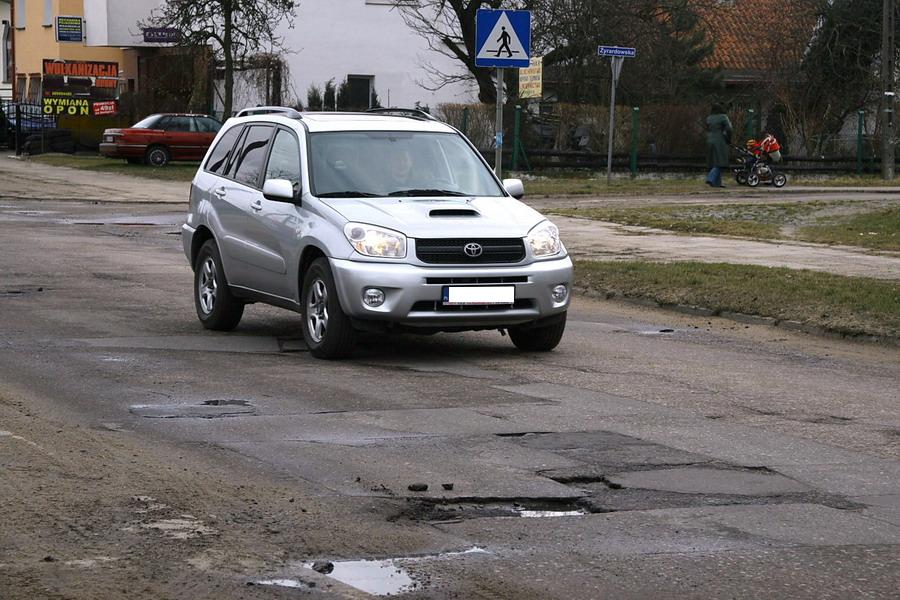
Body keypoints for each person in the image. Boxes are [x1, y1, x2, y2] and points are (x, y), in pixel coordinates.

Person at [705, 103, 732, 188]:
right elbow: (729, 129)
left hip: (709, 140)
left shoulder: (709, 118)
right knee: (721, 162)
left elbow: (707, 128)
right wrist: (728, 139)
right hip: (719, 140)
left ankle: (717, 183)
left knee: (713, 162)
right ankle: (710, 178)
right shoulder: (723, 117)